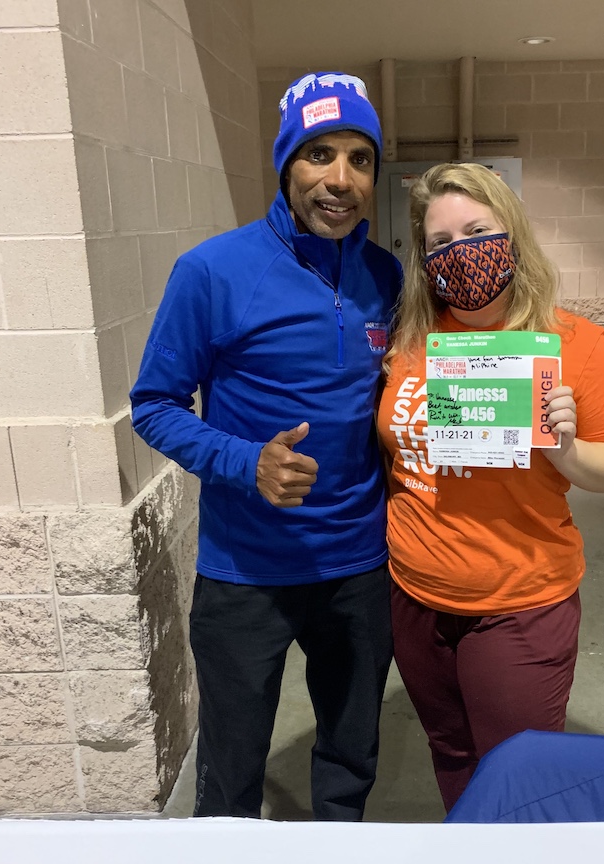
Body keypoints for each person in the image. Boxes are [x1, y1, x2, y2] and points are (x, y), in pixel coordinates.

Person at [130, 72, 401, 821]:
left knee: (351, 754)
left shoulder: (387, 276)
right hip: (246, 572)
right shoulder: (212, 272)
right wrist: (246, 462)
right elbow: (153, 405)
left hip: (358, 567)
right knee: (232, 766)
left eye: (359, 158)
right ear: (286, 166)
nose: (339, 180)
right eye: (318, 155)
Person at [377, 162, 604, 813]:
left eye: (476, 231)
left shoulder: (573, 343)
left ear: (512, 234)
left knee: (521, 780)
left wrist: (570, 452)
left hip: (518, 603)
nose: (459, 253)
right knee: (452, 754)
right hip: (415, 595)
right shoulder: (411, 339)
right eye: (440, 242)